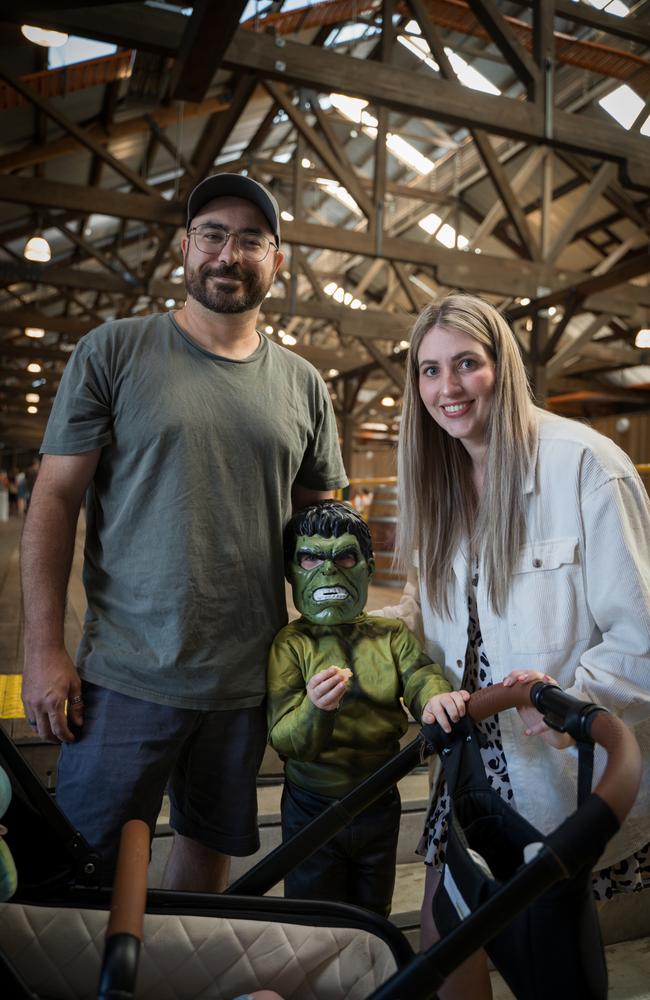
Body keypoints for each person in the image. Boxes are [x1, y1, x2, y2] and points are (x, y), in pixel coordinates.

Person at [20, 172, 348, 891]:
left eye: (252, 241)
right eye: (214, 235)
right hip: (124, 678)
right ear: (184, 248)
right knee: (78, 870)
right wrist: (41, 647)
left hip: (244, 683)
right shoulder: (116, 352)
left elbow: (324, 540)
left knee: (205, 858)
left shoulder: (302, 385)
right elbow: (54, 500)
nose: (229, 255)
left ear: (277, 262)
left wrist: (336, 646)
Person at [381, 292, 650, 998]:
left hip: (553, 777)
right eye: (430, 371)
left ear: (502, 366)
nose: (449, 388)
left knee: (551, 963)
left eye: (467, 364)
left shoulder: (585, 467)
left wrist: (571, 698)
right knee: (444, 939)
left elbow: (641, 636)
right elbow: (424, 606)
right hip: (463, 757)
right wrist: (354, 640)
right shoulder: (436, 478)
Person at [267, 500, 467, 917]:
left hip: (377, 798)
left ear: (368, 567)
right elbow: (284, 735)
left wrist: (433, 697)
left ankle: (370, 979)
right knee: (311, 913)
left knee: (373, 908)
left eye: (343, 556)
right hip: (311, 803)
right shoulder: (292, 644)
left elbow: (419, 674)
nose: (329, 571)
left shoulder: (390, 636)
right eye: (310, 558)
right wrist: (315, 710)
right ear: (291, 571)